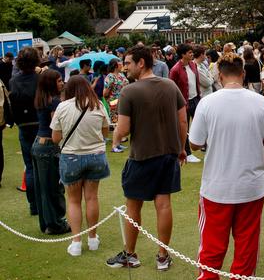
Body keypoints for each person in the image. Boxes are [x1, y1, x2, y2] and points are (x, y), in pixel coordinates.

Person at [189, 53, 264, 279]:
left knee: (211, 249)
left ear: (219, 75)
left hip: (217, 187)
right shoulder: (260, 101)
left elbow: (195, 144)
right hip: (250, 186)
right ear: (243, 73)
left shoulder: (207, 103)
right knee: (246, 250)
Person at [106, 45, 187, 270]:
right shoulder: (170, 85)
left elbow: (122, 129)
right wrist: (181, 148)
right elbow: (183, 120)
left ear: (141, 63)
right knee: (163, 205)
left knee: (133, 207)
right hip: (168, 155)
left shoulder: (129, 91)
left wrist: (115, 140)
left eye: (128, 63)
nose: (125, 68)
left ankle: (130, 254)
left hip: (141, 157)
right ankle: (162, 256)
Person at [51, 76, 110, 256]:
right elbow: (105, 131)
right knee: (92, 198)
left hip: (71, 157)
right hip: (96, 156)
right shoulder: (97, 105)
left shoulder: (63, 107)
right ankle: (92, 238)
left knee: (73, 200)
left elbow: (55, 137)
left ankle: (76, 242)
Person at [31, 69, 69, 235]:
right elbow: (56, 127)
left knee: (43, 188)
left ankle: (47, 222)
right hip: (48, 147)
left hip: (38, 144)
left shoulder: (41, 99)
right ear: (51, 83)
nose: (62, 83)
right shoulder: (53, 102)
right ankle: (55, 223)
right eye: (59, 80)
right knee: (53, 187)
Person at [10, 47, 41, 215]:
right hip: (40, 124)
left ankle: (33, 205)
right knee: (44, 166)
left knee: (29, 166)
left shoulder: (14, 81)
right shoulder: (40, 78)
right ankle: (42, 204)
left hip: (23, 125)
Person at [169, 43, 202, 163]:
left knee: (200, 123)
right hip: (183, 102)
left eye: (192, 52)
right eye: (189, 52)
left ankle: (202, 145)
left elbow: (195, 82)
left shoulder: (193, 65)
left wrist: (199, 96)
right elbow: (171, 87)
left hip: (195, 99)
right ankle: (187, 152)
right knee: (185, 126)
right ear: (183, 54)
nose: (192, 54)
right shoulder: (175, 69)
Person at [103, 59, 129, 143]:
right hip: (114, 101)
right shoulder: (109, 76)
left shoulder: (122, 75)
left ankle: (121, 136)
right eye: (120, 64)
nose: (122, 65)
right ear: (115, 65)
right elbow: (105, 93)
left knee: (122, 118)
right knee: (116, 119)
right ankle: (119, 138)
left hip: (123, 99)